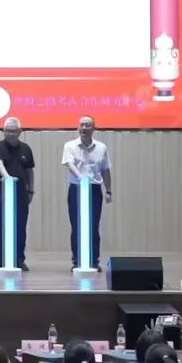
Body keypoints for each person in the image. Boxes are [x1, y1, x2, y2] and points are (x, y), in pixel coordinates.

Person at [62, 116, 113, 270]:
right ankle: (77, 261)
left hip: (94, 190)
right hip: (77, 189)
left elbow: (105, 170)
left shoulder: (101, 147)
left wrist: (108, 190)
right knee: (76, 226)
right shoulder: (70, 146)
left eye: (87, 125)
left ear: (93, 128)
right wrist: (81, 177)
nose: (84, 128)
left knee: (93, 226)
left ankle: (94, 261)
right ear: (78, 128)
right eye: (82, 125)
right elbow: (69, 164)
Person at [0, 117, 35, 271]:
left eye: (13, 131)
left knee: (20, 228)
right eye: (7, 131)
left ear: (19, 132)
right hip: (2, 193)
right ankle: (0, 260)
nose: (10, 134)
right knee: (1, 227)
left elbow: (30, 171)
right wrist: (7, 177)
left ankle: (19, 260)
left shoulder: (26, 148)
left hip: (21, 194)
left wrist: (31, 190)